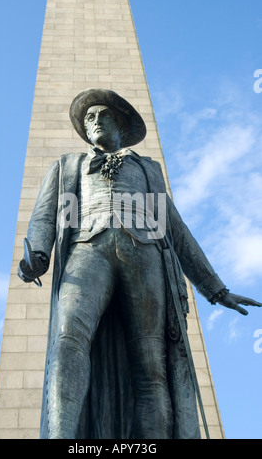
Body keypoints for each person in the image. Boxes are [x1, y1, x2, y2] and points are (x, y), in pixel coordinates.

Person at [18, 88, 261, 439]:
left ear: (122, 123)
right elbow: (43, 217)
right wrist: (38, 256)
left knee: (152, 364)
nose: (95, 121)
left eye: (104, 115)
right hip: (87, 248)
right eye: (89, 118)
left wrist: (215, 289)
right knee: (68, 339)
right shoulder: (66, 165)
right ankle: (61, 436)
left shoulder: (148, 169)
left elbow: (176, 230)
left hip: (145, 255)